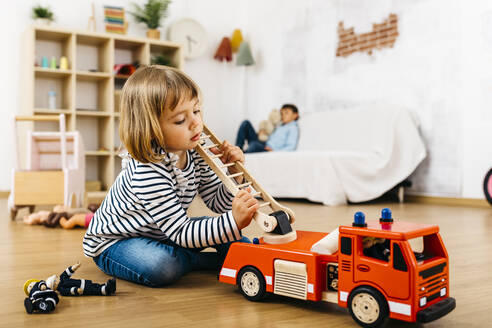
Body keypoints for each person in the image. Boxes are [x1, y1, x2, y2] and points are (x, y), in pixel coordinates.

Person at [83, 65, 258, 287]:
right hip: (116, 242)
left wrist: (233, 173)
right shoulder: (147, 169)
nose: (196, 123)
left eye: (196, 111)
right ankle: (197, 259)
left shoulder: (195, 149)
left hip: (164, 232)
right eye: (179, 120)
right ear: (151, 129)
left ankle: (200, 252)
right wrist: (231, 222)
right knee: (161, 266)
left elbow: (218, 202)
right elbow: (181, 231)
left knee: (231, 237)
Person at [235, 104, 300, 153]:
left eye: (286, 113)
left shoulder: (293, 128)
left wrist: (274, 151)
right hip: (263, 142)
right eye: (281, 113)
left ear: (295, 115)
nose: (283, 115)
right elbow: (271, 137)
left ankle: (242, 155)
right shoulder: (279, 125)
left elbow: (291, 147)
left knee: (254, 145)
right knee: (246, 123)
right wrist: (261, 133)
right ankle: (237, 149)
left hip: (268, 149)